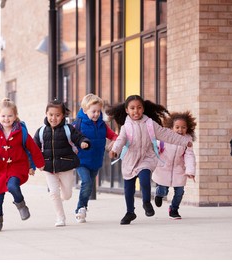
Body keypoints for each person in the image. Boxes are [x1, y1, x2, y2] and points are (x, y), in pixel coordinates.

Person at [106, 95, 193, 225]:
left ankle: (146, 202)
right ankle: (130, 212)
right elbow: (120, 140)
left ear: (143, 109)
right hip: (130, 160)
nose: (136, 111)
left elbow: (167, 134)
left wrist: (185, 141)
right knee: (128, 189)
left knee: (145, 177)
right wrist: (115, 151)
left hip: (146, 158)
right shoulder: (126, 127)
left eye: (139, 107)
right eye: (132, 108)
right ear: (127, 110)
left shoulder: (150, 124)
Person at [0, 98, 45, 231]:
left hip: (16, 167)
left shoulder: (21, 132)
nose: (6, 119)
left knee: (12, 185)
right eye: (3, 116)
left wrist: (39, 164)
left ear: (15, 116)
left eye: (10, 115)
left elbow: (33, 148)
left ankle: (21, 204)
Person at [33, 100, 90, 227]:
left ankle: (61, 198)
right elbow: (33, 148)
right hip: (48, 167)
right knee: (53, 193)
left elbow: (79, 137)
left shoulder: (68, 129)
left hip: (66, 166)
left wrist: (83, 142)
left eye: (57, 115)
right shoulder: (41, 131)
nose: (54, 118)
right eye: (51, 115)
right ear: (46, 114)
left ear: (63, 115)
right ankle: (60, 218)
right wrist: (33, 165)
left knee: (67, 194)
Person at [73, 93, 118, 223]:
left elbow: (113, 136)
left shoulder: (102, 125)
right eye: (93, 111)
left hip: (96, 161)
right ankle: (80, 208)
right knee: (86, 182)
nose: (96, 114)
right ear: (85, 110)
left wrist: (114, 142)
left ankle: (83, 207)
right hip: (81, 160)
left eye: (99, 111)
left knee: (89, 186)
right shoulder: (78, 124)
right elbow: (70, 139)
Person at [152, 111, 196, 220]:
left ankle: (174, 209)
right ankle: (159, 194)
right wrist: (156, 149)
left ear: (188, 128)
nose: (180, 130)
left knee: (179, 192)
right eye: (177, 127)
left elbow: (189, 156)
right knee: (163, 190)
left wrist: (190, 170)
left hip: (178, 170)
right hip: (163, 168)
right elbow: (155, 147)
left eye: (183, 127)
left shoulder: (187, 140)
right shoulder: (164, 137)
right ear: (171, 127)